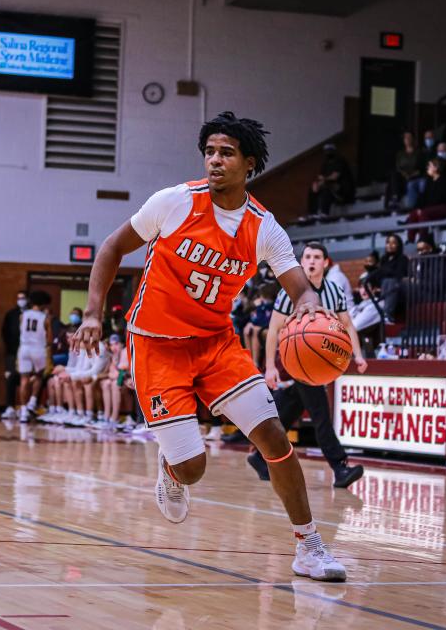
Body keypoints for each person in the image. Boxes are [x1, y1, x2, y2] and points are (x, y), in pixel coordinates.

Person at [70, 111, 348, 581]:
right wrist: (95, 313)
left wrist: (307, 306)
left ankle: (309, 544)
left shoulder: (263, 227)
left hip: (216, 343)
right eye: (210, 152)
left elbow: (301, 287)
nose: (214, 161)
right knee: (194, 468)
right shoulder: (175, 202)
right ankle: (173, 465)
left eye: (227, 153)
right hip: (156, 346)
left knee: (275, 437)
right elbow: (111, 249)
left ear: (250, 164)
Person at [248, 242, 366, 488]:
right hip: (296, 360)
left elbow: (347, 325)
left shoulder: (334, 291)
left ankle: (260, 456)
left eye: (317, 257)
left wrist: (358, 355)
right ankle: (340, 466)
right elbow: (273, 331)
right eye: (308, 256)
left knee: (289, 410)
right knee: (321, 412)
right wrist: (269, 367)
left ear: (325, 262)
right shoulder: (288, 292)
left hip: (317, 362)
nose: (312, 261)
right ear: (302, 262)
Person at [403, 158, 446, 241]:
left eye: (430, 166)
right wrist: (418, 209)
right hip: (433, 207)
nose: (427, 168)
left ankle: (423, 239)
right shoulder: (429, 181)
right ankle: (410, 240)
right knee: (414, 213)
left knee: (424, 213)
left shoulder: (445, 181)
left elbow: (440, 199)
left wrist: (422, 210)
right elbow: (423, 197)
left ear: (436, 168)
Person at [17, 291, 52, 422]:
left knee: (24, 380)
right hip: (38, 349)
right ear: (43, 303)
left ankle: (24, 411)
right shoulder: (45, 318)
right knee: (39, 375)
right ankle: (32, 401)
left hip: (24, 348)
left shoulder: (23, 315)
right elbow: (49, 339)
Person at [368, 234, 410, 323]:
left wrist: (386, 271)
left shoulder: (403, 259)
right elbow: (379, 275)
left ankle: (387, 315)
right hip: (384, 288)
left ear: (399, 245)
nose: (390, 245)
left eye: (393, 243)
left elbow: (399, 275)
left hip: (398, 290)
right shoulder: (384, 259)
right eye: (388, 242)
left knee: (389, 281)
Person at [306, 143, 354, 219]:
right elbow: (320, 176)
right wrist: (317, 185)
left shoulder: (340, 161)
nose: (327, 153)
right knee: (313, 189)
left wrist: (324, 180)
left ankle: (324, 213)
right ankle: (313, 213)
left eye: (329, 150)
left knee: (326, 189)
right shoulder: (325, 163)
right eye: (326, 151)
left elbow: (335, 176)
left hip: (343, 189)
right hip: (329, 185)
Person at [1, 290, 27, 419]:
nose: (21, 300)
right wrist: (10, 349)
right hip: (13, 352)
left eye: (23, 298)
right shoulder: (11, 314)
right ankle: (10, 407)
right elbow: (5, 333)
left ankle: (25, 408)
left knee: (26, 379)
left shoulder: (31, 314)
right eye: (19, 298)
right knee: (11, 378)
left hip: (28, 353)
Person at [386, 131, 426, 208]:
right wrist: (404, 174)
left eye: (409, 137)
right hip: (403, 177)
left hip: (415, 176)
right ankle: (395, 198)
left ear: (413, 139)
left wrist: (412, 174)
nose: (407, 139)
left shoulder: (419, 152)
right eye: (405, 138)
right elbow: (398, 167)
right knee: (394, 174)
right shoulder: (400, 154)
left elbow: (422, 168)